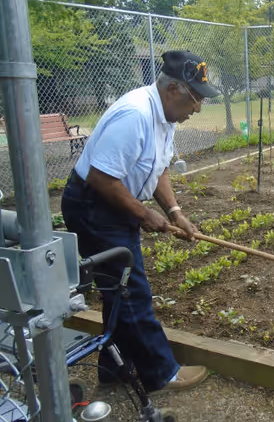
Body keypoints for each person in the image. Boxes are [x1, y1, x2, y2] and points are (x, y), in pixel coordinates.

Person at [61, 50, 221, 395]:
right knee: (131, 290)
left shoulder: (166, 119)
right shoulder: (135, 114)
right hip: (94, 205)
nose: (197, 109)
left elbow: (158, 168)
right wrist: (144, 214)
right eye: (196, 99)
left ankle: (114, 370)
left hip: (112, 200)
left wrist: (174, 212)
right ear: (174, 90)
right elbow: (102, 178)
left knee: (117, 290)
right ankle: (161, 374)